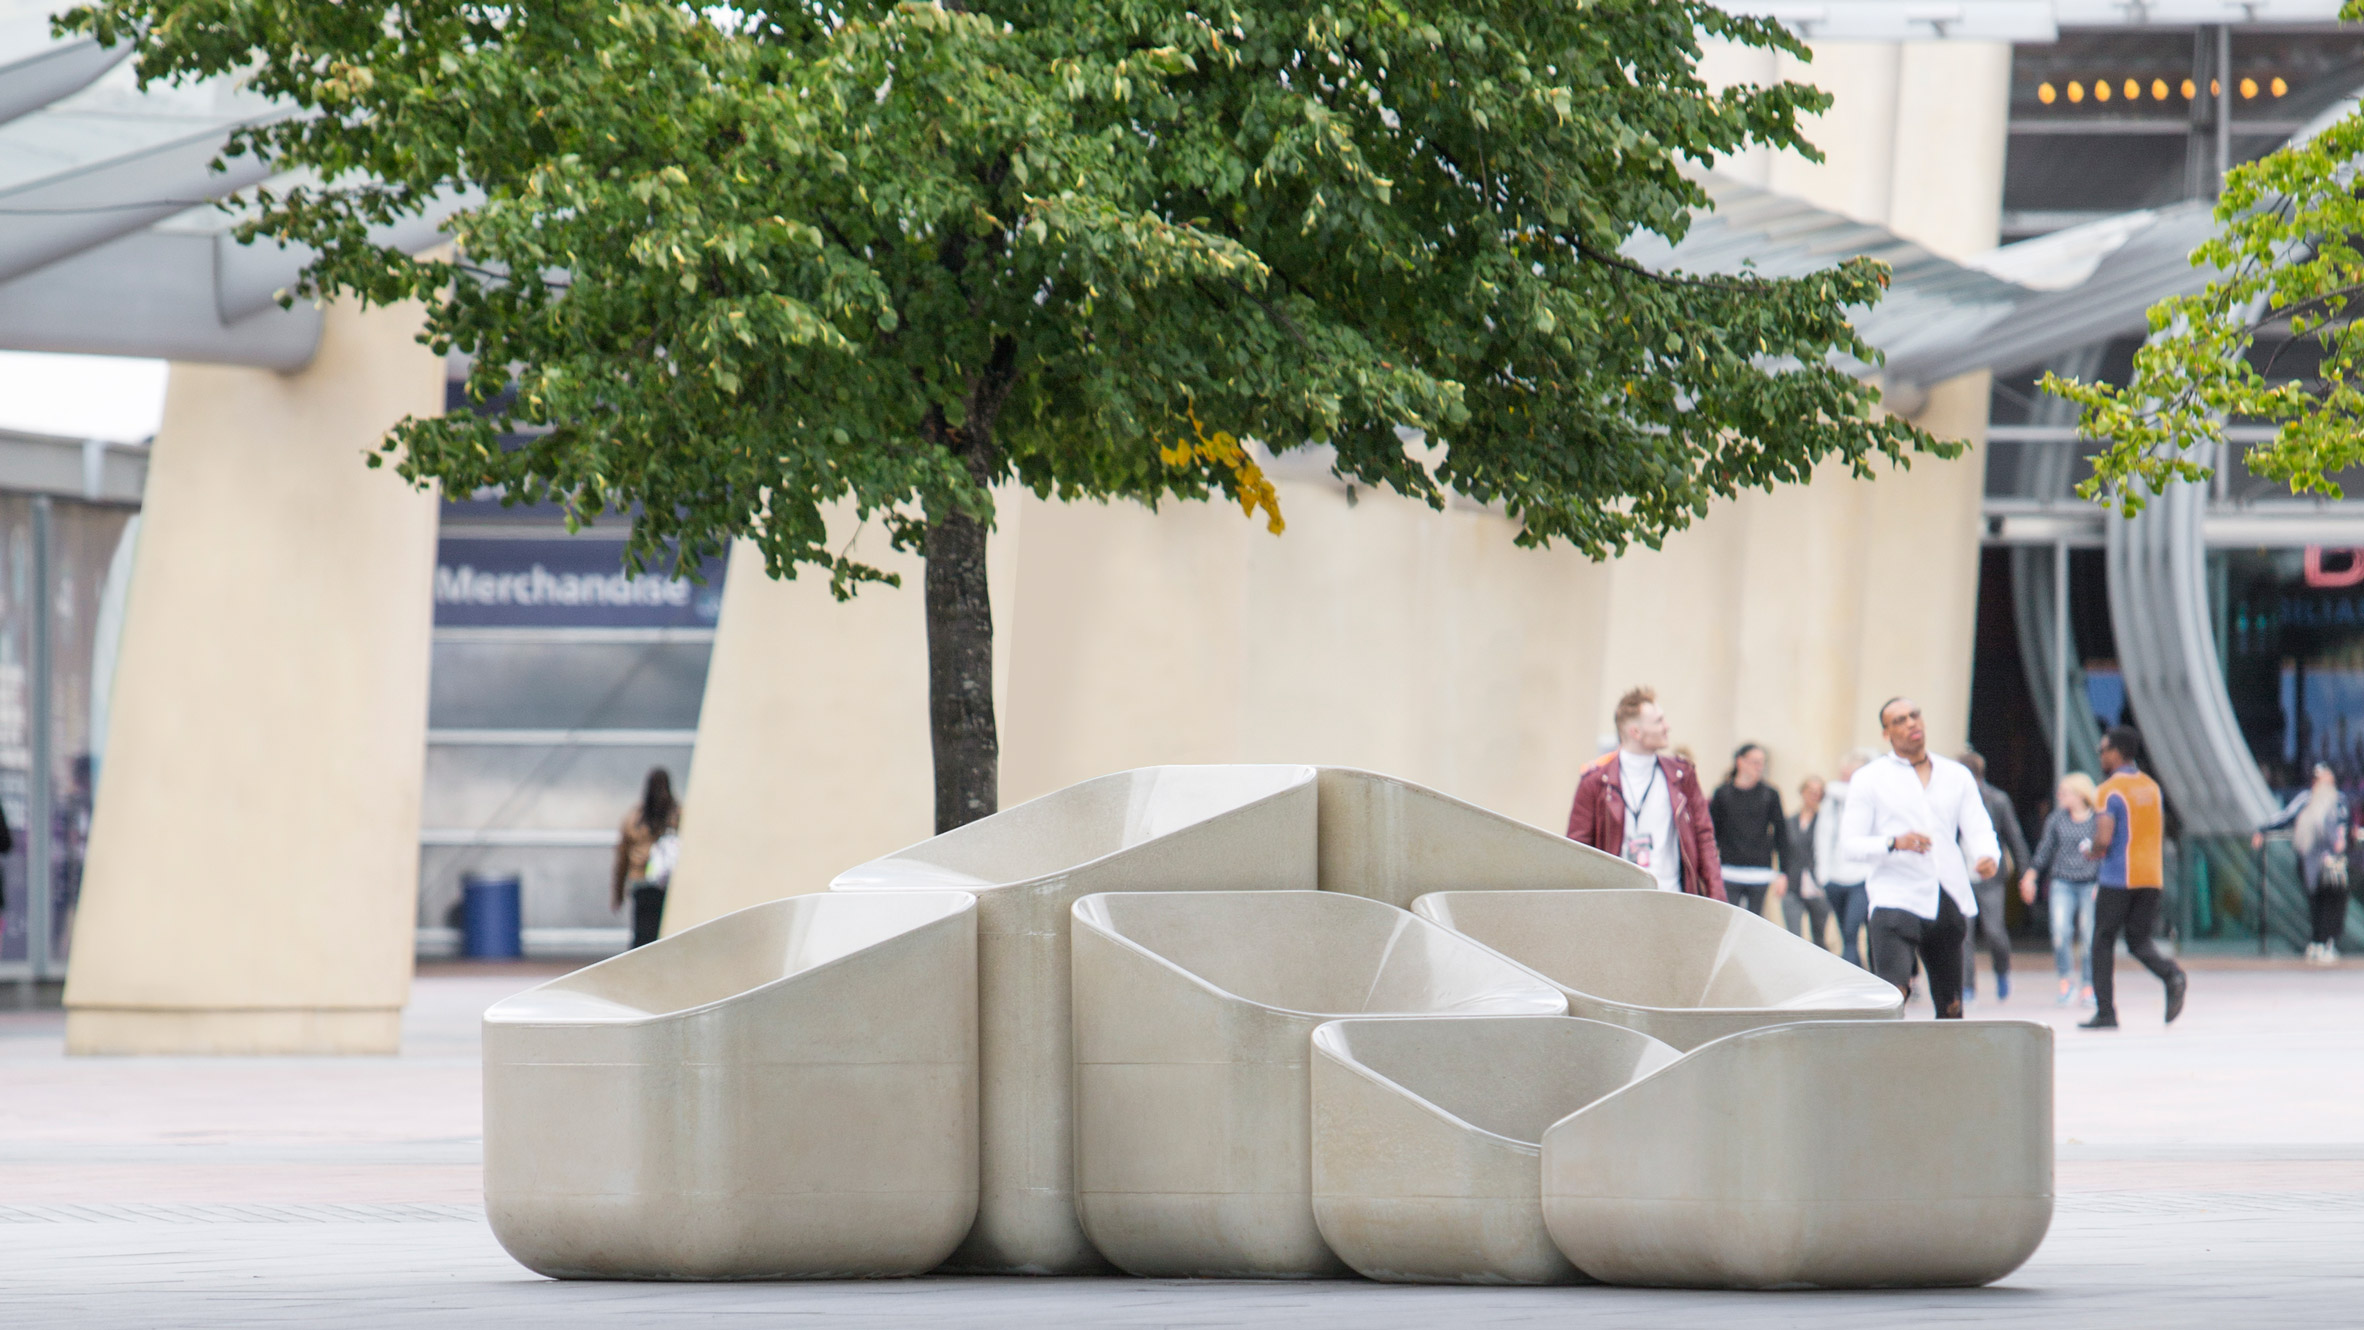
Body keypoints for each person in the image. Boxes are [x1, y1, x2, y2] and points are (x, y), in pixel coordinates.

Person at [1839, 696, 2000, 1019]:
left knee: (1951, 1005)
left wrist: (1987, 855)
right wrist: (1894, 842)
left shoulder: (1956, 775)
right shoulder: (1870, 778)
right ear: (1886, 733)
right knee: (1893, 994)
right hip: (1894, 898)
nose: (1911, 723)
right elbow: (1850, 845)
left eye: (1914, 715)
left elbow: (1978, 825)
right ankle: (1894, 1065)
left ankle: (1947, 1066)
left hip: (1946, 896)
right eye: (1899, 720)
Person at [1567, 686, 1727, 900]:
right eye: (1659, 721)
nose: (1667, 727)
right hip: (1617, 904)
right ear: (1636, 732)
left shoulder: (1682, 776)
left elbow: (1704, 839)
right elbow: (1577, 851)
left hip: (1673, 901)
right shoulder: (1595, 783)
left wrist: (1718, 899)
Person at [2084, 726, 2188, 1029]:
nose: (2101, 755)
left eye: (2103, 749)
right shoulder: (2151, 787)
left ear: (2116, 752)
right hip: (2151, 876)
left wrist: (2091, 850)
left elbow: (2104, 838)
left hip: (2118, 876)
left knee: (2102, 940)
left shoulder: (2107, 790)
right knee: (2139, 940)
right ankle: (2172, 975)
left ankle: (2106, 1012)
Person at [2255, 762, 2351, 966]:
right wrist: (2262, 829)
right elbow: (2285, 817)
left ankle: (2327, 941)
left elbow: (2342, 829)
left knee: (2333, 903)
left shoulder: (2338, 801)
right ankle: (2318, 941)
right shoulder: (2306, 799)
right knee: (2316, 902)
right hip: (2311, 861)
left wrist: (2341, 845)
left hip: (2332, 862)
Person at [2023, 772, 2103, 1005]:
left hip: (2090, 882)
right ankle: (2066, 980)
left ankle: (2089, 985)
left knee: (2089, 934)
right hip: (2063, 882)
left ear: (2080, 795)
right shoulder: (2057, 819)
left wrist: (2102, 882)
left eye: (2065, 792)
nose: (2060, 796)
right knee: (2060, 931)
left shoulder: (2097, 820)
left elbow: (2105, 852)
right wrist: (2032, 874)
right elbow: (2045, 849)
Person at [1958, 750, 2031, 1002]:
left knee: (1994, 931)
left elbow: (2014, 838)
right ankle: (1967, 986)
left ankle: (2002, 970)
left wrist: (2026, 874)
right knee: (1963, 934)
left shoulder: (1997, 800)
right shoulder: (1952, 801)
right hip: (1960, 876)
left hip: (1990, 877)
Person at [1710, 744, 1787, 918]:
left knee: (1754, 922)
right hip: (1729, 870)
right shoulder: (1723, 793)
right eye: (1754, 762)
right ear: (1740, 762)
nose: (1759, 767)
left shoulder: (1770, 794)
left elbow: (1781, 834)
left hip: (1759, 872)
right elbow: (1712, 833)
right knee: (1728, 920)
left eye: (1762, 763)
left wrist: (1783, 873)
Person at [1816, 749, 1877, 966]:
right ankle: (1859, 975)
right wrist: (1823, 876)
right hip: (1835, 877)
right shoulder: (1832, 800)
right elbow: (1823, 837)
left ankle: (1856, 981)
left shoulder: (1871, 800)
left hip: (1861, 876)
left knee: (1852, 931)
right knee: (1846, 935)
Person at [613, 767, 682, 949]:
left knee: (642, 936)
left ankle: (639, 973)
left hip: (641, 882)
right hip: (668, 884)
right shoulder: (678, 815)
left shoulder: (635, 818)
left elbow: (622, 857)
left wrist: (618, 893)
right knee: (667, 936)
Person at [1781, 775, 1833, 949]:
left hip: (1817, 886)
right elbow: (1783, 851)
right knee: (1792, 937)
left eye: (1819, 792)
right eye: (1811, 791)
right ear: (1803, 792)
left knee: (1819, 938)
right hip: (1793, 883)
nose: (1814, 796)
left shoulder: (1825, 822)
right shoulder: (1790, 822)